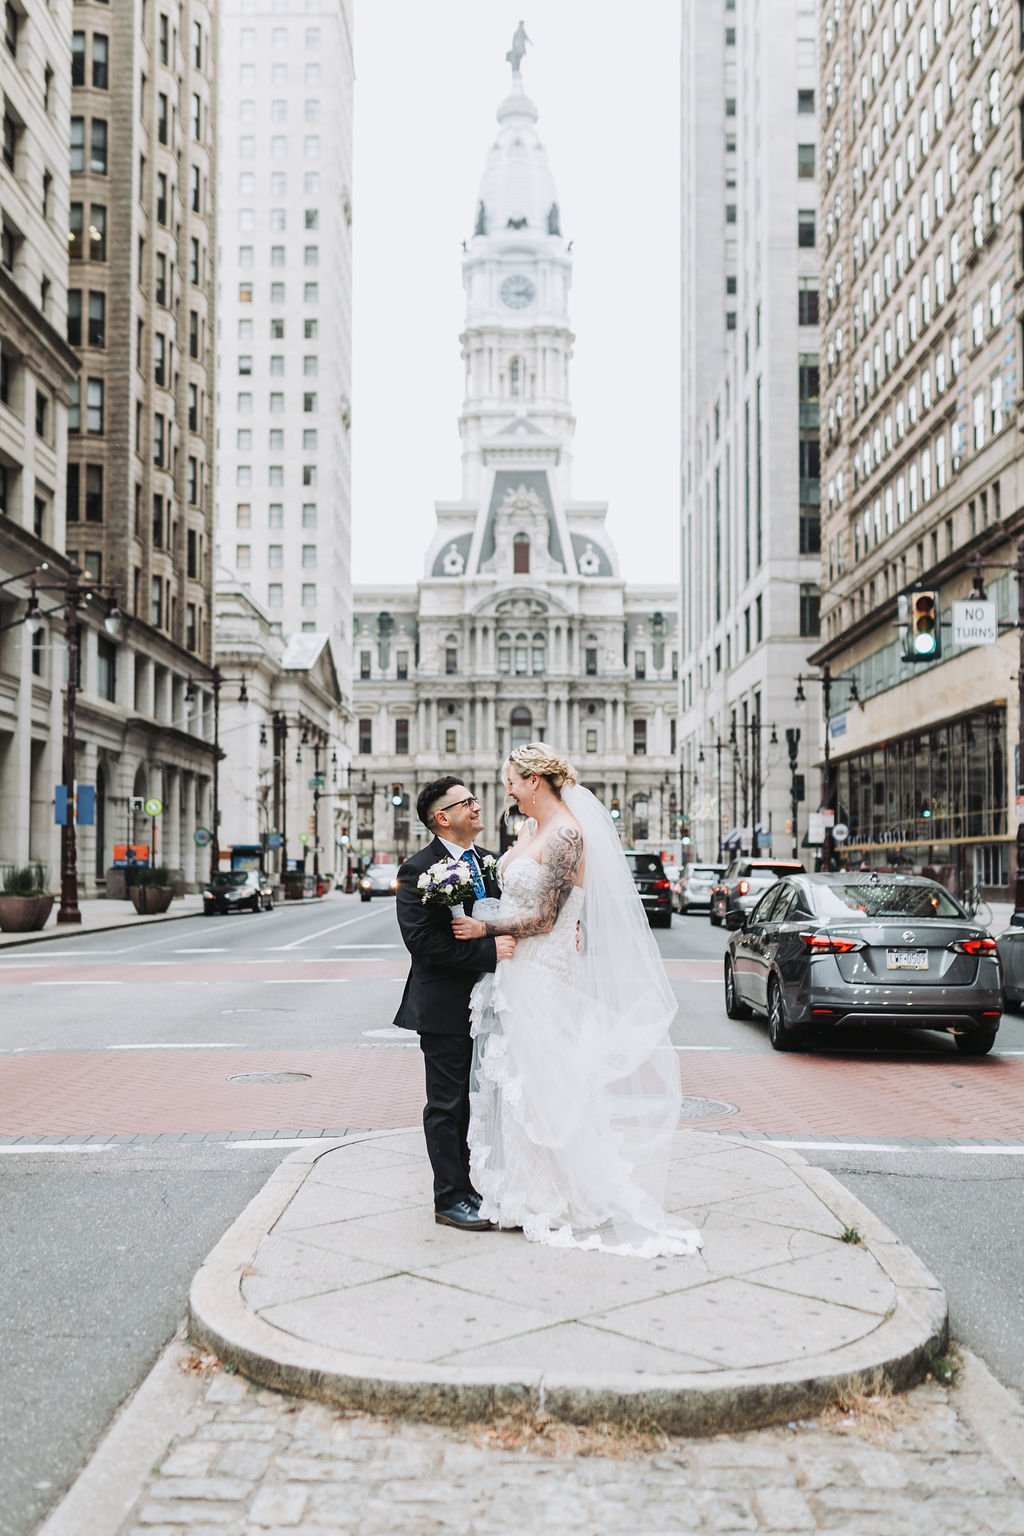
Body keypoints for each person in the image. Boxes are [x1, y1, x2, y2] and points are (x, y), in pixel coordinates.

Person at [452, 743, 702, 1259]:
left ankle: (555, 1198)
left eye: (513, 783)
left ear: (536, 781)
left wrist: (485, 926)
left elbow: (545, 918)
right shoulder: (528, 832)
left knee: (547, 1077)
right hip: (516, 969)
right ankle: (519, 1191)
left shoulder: (567, 835)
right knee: (520, 1077)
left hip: (546, 969)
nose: (508, 792)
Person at [393, 776, 516, 1232]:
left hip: (496, 1001)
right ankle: (450, 1198)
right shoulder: (418, 870)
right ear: (442, 817)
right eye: (467, 802)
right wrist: (488, 952)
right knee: (448, 1104)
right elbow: (422, 943)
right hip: (446, 1005)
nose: (477, 807)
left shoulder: (489, 863)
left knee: (487, 1097)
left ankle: (472, 1185)